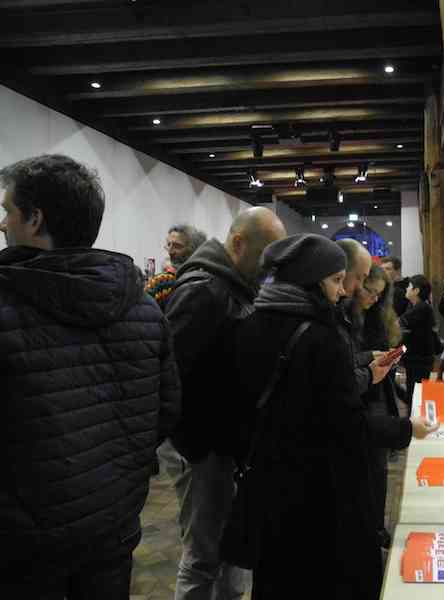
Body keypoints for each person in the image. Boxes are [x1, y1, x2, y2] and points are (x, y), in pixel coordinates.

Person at [0, 154, 181, 597]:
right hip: (112, 527)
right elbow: (165, 412)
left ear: (35, 218)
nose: (3, 224)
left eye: (8, 211)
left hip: (23, 545)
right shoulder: (144, 309)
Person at [233, 234, 432, 599]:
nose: (342, 291)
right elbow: (345, 423)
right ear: (311, 279)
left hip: (271, 487)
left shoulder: (250, 323)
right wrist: (405, 428)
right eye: (336, 280)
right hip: (320, 495)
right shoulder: (321, 336)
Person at [159, 207, 287, 600]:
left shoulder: (231, 286)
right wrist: (198, 448)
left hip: (220, 446)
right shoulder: (205, 290)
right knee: (203, 555)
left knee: (228, 548)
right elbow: (170, 377)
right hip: (204, 448)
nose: (270, 269)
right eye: (265, 257)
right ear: (238, 243)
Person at [347, 264, 403, 546]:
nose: (374, 298)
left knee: (378, 472)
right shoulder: (345, 317)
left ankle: (376, 527)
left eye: (380, 294)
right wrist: (371, 357)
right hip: (357, 400)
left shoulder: (379, 316)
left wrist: (389, 358)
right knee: (361, 473)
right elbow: (344, 363)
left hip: (377, 397)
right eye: (370, 291)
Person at [145, 224, 207, 308]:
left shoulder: (162, 282)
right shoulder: (210, 277)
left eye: (177, 246)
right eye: (168, 245)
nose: (170, 252)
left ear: (194, 249)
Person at [400, 274, 438, 402]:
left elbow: (401, 323)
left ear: (416, 290)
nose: (406, 289)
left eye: (409, 287)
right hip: (414, 358)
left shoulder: (422, 308)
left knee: (415, 396)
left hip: (420, 359)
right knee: (411, 392)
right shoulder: (413, 306)